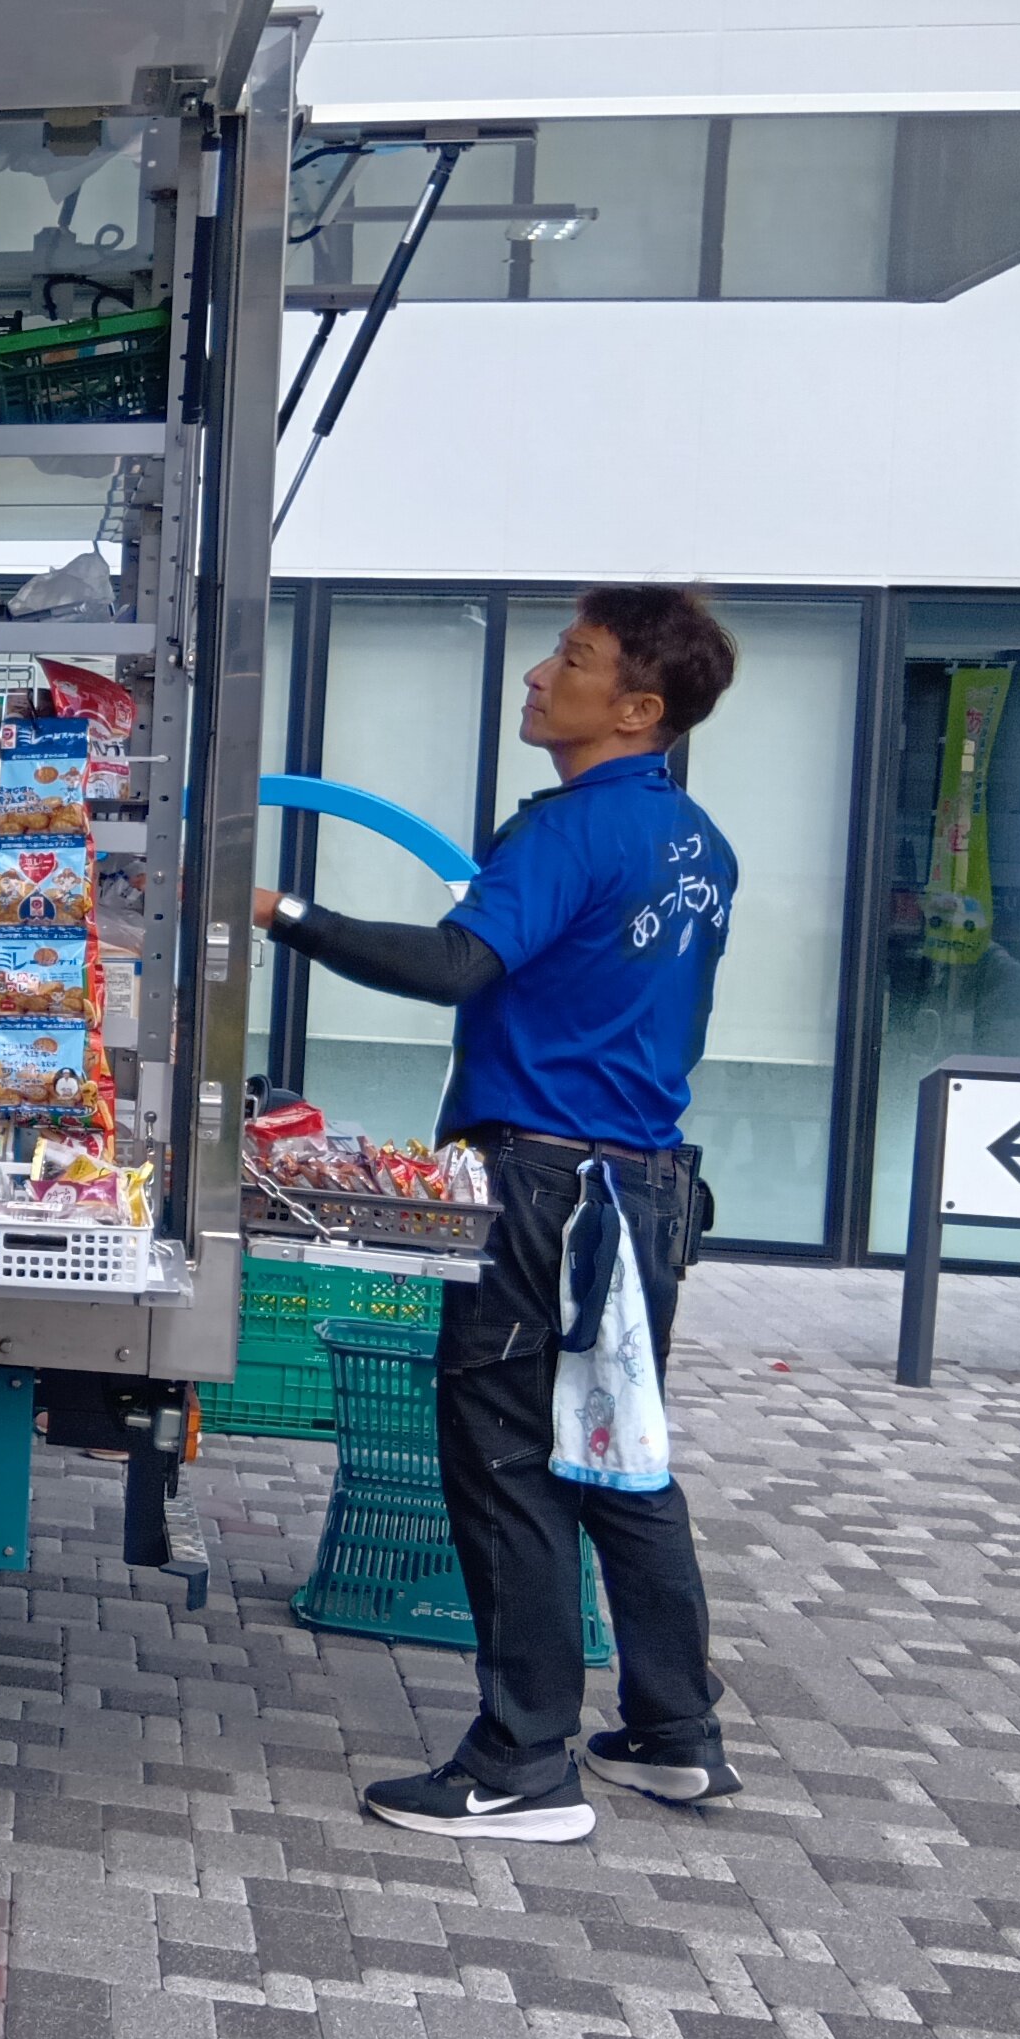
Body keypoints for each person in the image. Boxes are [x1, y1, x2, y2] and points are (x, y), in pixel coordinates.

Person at [254, 587, 742, 1845]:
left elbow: (456, 966)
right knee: (622, 1452)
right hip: (644, 1186)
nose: (537, 675)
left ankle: (522, 1765)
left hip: (543, 1187)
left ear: (638, 707)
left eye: (573, 660)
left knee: (508, 1461)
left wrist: (280, 914)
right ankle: (675, 1732)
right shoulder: (698, 842)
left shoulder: (568, 830)